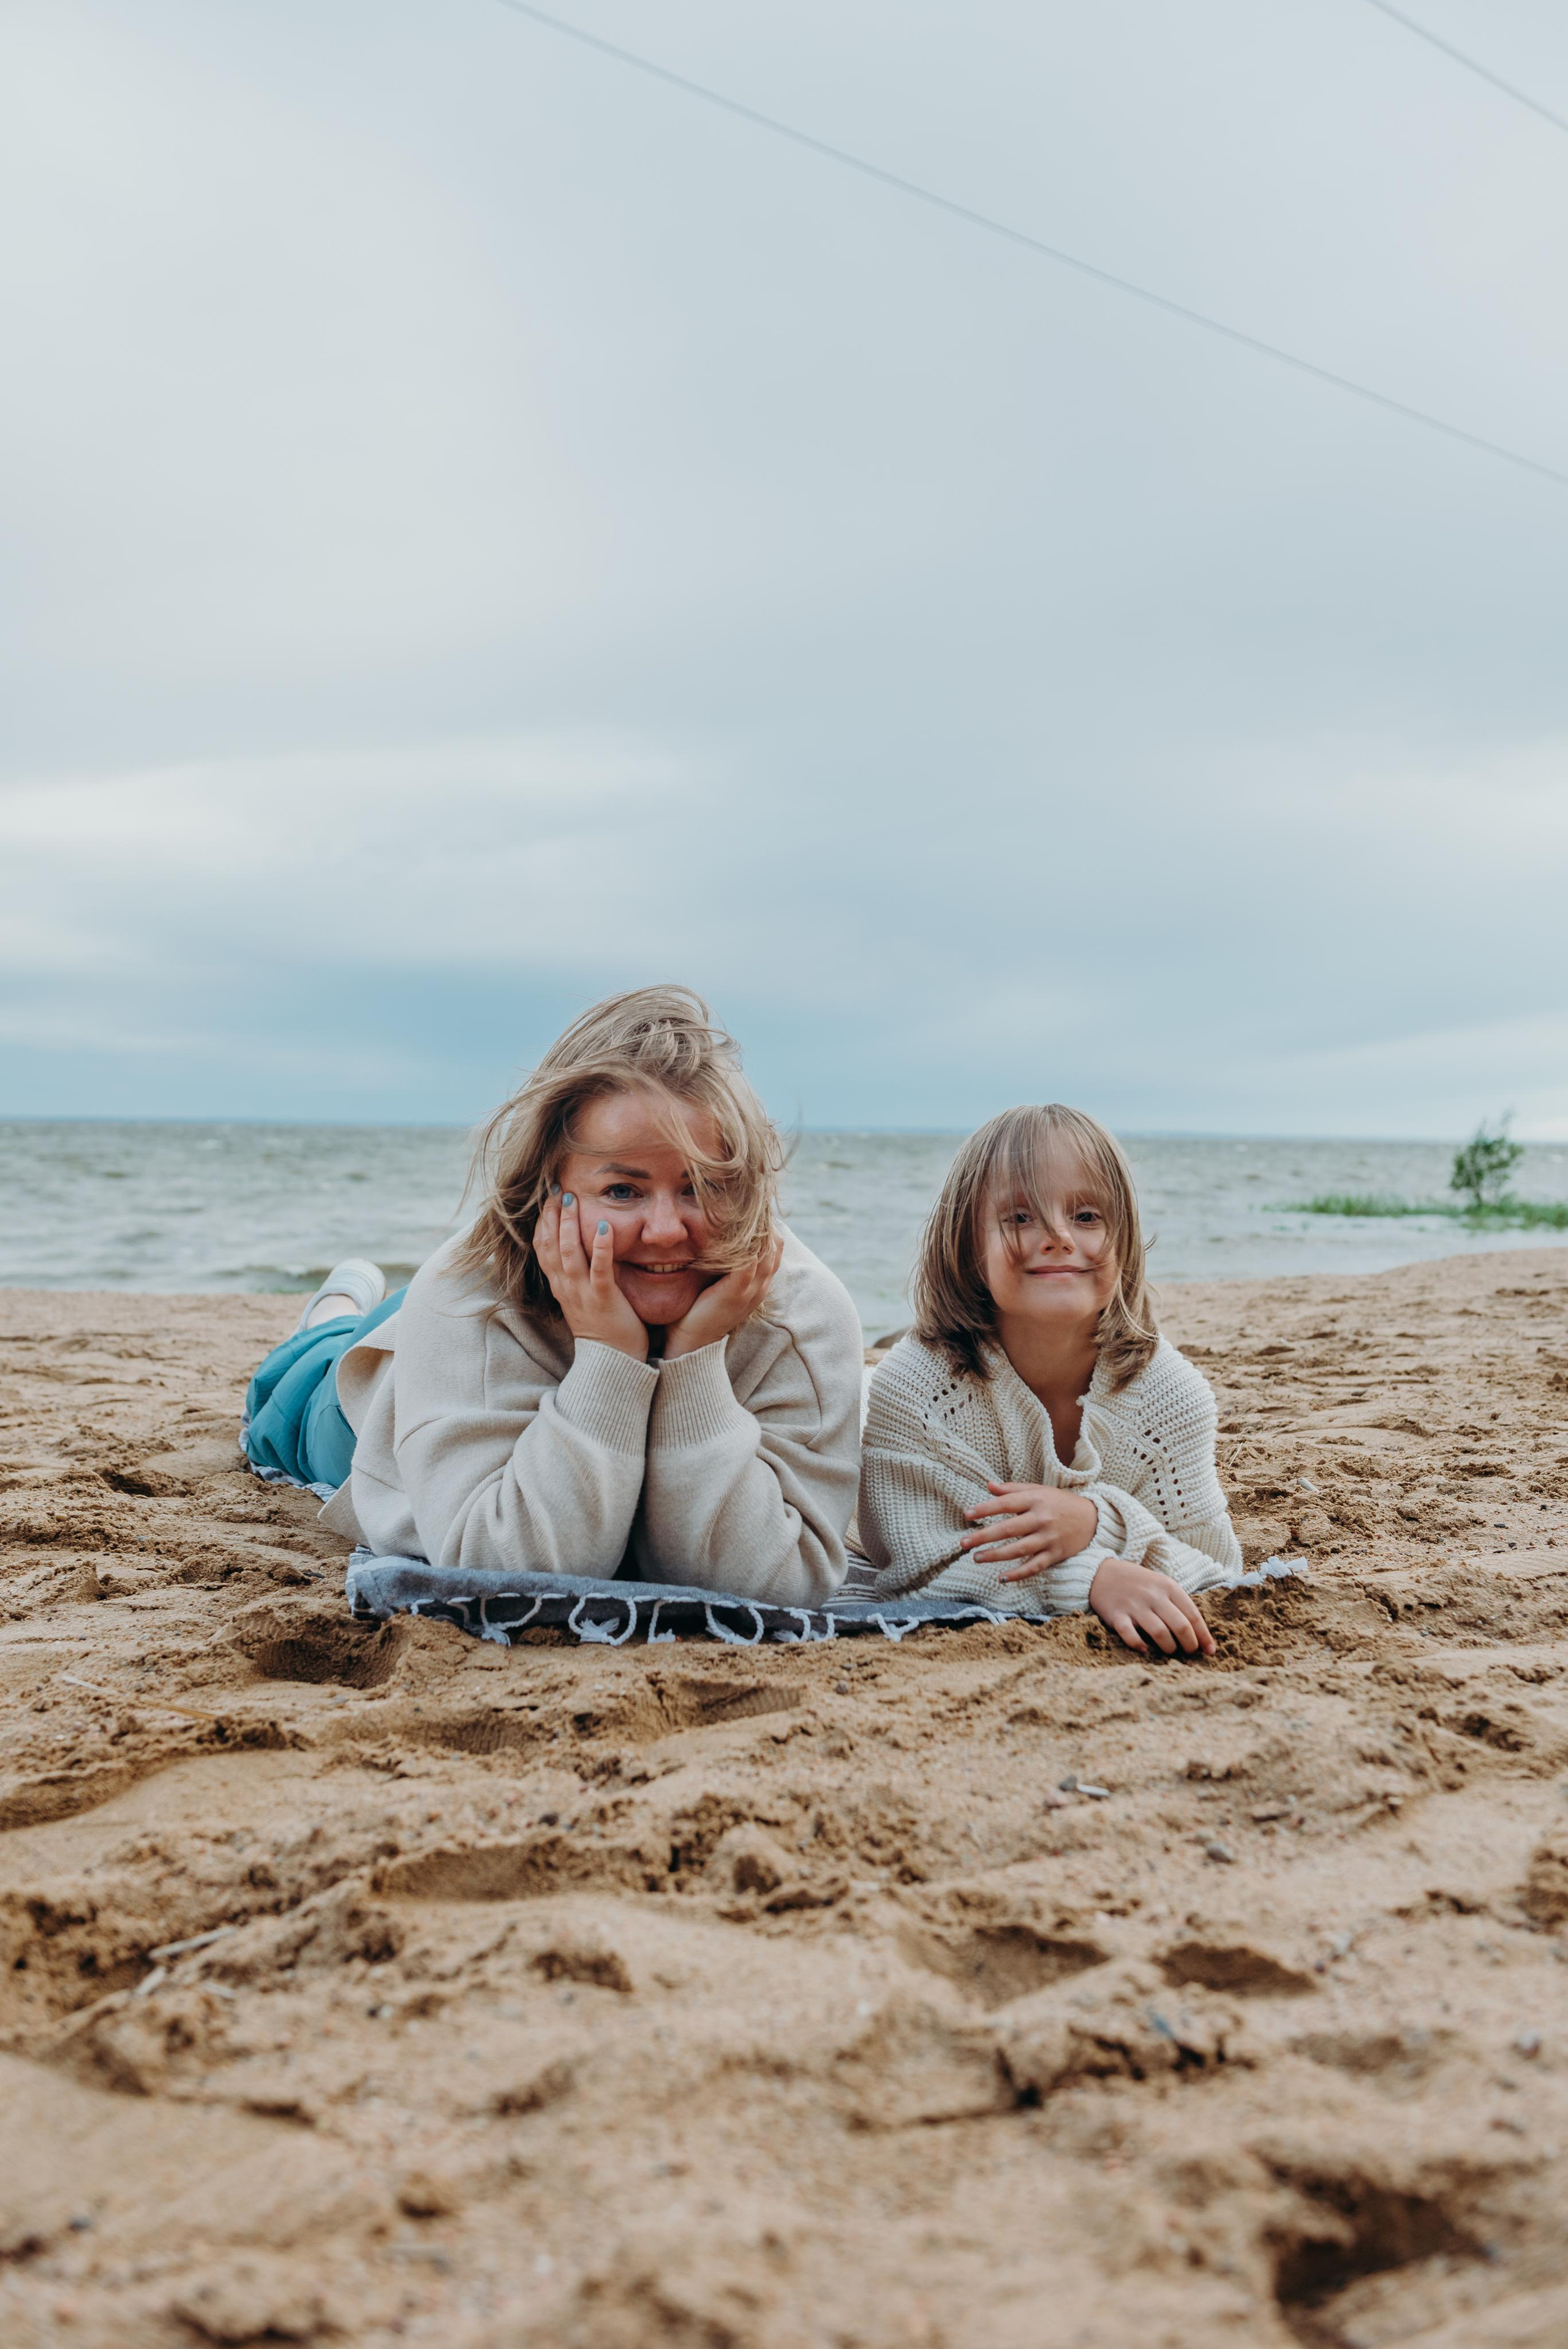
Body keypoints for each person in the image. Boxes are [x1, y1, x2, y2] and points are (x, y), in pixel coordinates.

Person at [241, 988, 864, 1605]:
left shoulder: (802, 1313)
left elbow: (775, 1581)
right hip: (378, 1391)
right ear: (549, 1191)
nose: (668, 1230)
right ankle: (335, 1311)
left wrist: (694, 1363)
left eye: (702, 1187)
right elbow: (506, 1567)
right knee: (289, 1391)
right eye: (623, 1190)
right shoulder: (465, 1295)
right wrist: (610, 1356)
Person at [858, 1103, 1243, 1654]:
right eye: (1020, 1217)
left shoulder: (1172, 1397)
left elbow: (1217, 1571)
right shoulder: (916, 1388)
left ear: (1124, 1236)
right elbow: (919, 1577)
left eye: (1087, 1216)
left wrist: (1095, 1521)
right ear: (970, 1246)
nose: (1060, 1236)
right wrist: (1094, 1577)